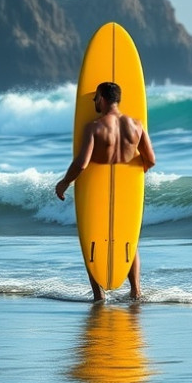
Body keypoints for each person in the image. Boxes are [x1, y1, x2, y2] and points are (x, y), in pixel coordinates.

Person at [55, 82, 156, 302]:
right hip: (125, 190)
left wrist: (65, 182)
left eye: (95, 99)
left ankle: (99, 296)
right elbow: (150, 160)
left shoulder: (95, 127)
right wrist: (130, 173)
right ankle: (135, 291)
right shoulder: (137, 125)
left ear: (101, 97)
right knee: (128, 239)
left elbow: (82, 163)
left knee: (92, 238)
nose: (94, 102)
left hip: (98, 191)